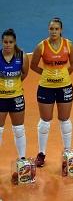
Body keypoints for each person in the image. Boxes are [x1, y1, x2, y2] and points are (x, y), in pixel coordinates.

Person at [30, 18, 73, 167]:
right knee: (45, 121)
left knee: (65, 119)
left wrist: (63, 75)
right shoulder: (41, 47)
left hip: (64, 87)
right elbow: (33, 65)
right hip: (46, 88)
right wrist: (47, 75)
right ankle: (41, 153)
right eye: (51, 29)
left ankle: (68, 152)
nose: (54, 31)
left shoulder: (68, 45)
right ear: (48, 30)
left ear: (61, 30)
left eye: (56, 29)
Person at [0, 29, 29, 160]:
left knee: (19, 129)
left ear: (14, 42)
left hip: (16, 98)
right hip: (1, 99)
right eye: (5, 42)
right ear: (2, 42)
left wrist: (14, 86)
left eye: (10, 42)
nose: (7, 44)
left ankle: (22, 160)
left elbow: (24, 73)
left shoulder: (21, 56)